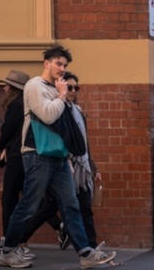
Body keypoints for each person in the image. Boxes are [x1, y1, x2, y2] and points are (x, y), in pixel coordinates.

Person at [0, 45, 115, 269]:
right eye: (58, 64)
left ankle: (85, 253)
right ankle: (9, 250)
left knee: (71, 204)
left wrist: (69, 158)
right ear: (47, 63)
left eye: (65, 65)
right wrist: (61, 96)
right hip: (38, 154)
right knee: (29, 205)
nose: (61, 69)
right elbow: (48, 116)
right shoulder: (35, 86)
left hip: (59, 157)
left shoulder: (54, 88)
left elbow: (64, 126)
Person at [17, 72, 97, 250]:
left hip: (78, 167)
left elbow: (84, 143)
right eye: (69, 87)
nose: (73, 91)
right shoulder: (57, 109)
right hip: (57, 161)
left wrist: (93, 166)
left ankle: (89, 248)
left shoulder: (78, 112)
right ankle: (15, 242)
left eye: (76, 88)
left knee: (79, 206)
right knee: (38, 204)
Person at [0, 70, 31, 249]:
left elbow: (6, 133)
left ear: (13, 89)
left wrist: (2, 146)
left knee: (9, 198)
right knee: (29, 197)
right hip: (24, 155)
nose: (4, 88)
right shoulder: (25, 105)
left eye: (7, 85)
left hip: (16, 157)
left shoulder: (16, 106)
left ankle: (8, 238)